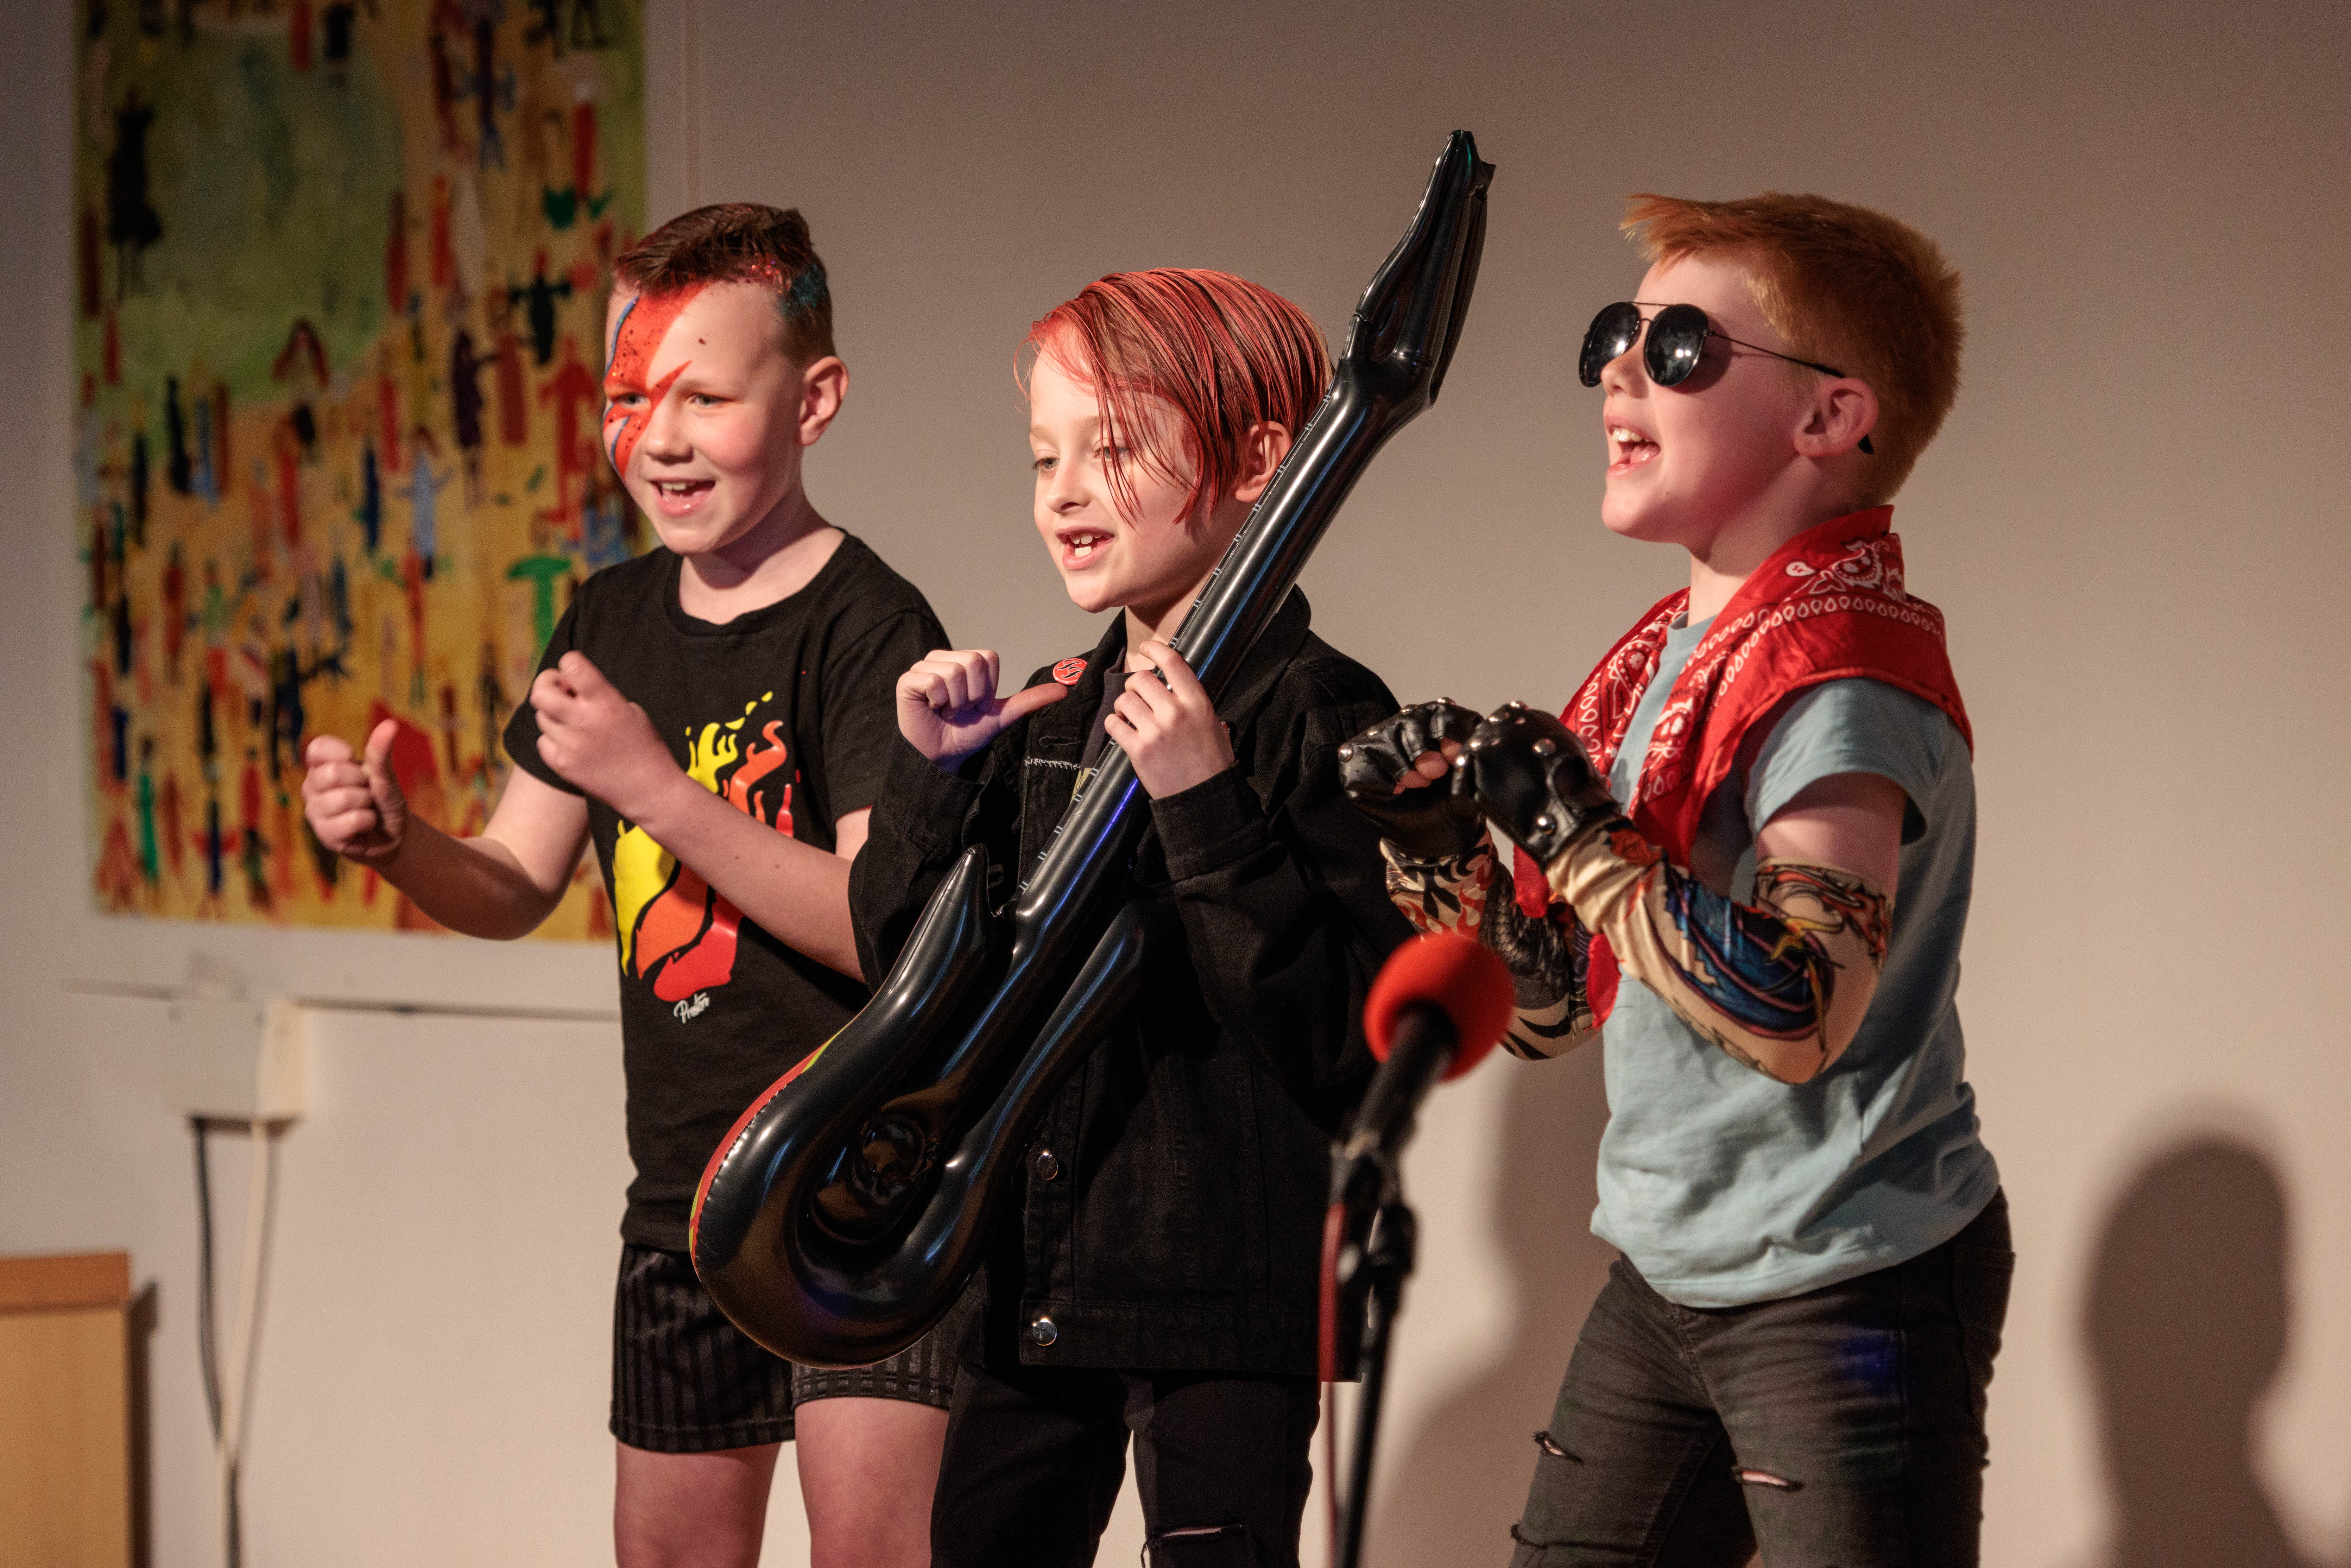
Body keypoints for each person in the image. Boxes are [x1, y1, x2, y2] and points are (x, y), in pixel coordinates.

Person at [1342, 192, 2010, 1566]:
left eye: (1683, 349)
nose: (1617, 371)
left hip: (1848, 1281)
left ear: (1828, 419)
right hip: (1669, 1267)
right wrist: (1438, 842)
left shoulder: (1841, 678)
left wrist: (1581, 834)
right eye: (1613, 337)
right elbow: (1550, 1011)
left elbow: (1796, 1012)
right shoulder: (1665, 666)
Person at [301, 204, 954, 1568]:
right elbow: (514, 876)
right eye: (627, 395)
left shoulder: (868, 625)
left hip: (859, 1191)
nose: (658, 436)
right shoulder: (606, 619)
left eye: (704, 394)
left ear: (815, 398)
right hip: (686, 1201)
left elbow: (866, 915)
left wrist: (658, 787)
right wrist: (395, 841)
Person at [848, 270, 1411, 1567]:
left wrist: (1207, 805)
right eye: (1044, 455)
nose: (1062, 491)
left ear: (1262, 460)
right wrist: (930, 783)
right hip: (1031, 1285)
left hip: (1224, 1298)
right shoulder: (1047, 715)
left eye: (1112, 449)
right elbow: (903, 975)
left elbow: (1346, 1045)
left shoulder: (1321, 711)